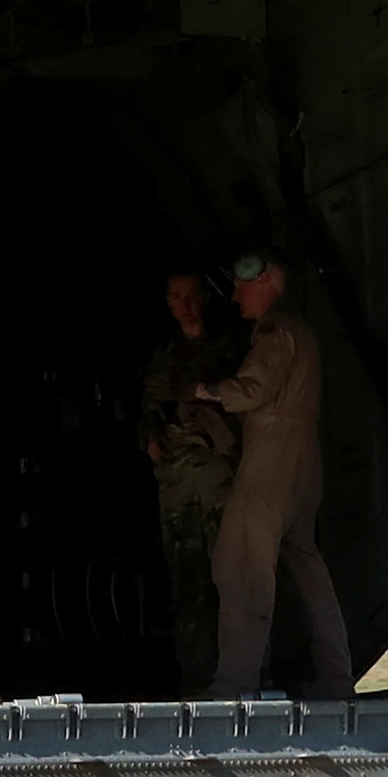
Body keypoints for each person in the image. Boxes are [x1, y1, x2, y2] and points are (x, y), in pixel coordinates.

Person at [198, 249, 353, 697]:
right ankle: (336, 677)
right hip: (304, 467)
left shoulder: (275, 328)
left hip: (272, 465)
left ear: (266, 280)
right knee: (307, 569)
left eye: (241, 285)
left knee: (240, 564)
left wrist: (205, 391)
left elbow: (253, 390)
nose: (234, 295)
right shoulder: (300, 329)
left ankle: (234, 684)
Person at [137, 270, 244, 693]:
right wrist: (149, 437)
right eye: (176, 297)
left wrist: (196, 394)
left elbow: (246, 398)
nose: (186, 305)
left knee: (233, 578)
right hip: (178, 483)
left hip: (220, 477)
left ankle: (238, 673)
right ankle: (197, 677)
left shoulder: (232, 347)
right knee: (189, 582)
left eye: (193, 296)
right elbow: (146, 409)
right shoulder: (163, 355)